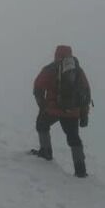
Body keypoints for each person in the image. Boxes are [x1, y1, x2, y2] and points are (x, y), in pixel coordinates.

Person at [31, 45, 92, 177]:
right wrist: (84, 115)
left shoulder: (50, 69)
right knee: (74, 138)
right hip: (72, 111)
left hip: (53, 108)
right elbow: (85, 93)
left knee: (41, 124)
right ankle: (80, 170)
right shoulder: (78, 71)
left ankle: (46, 152)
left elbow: (38, 86)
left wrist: (43, 106)